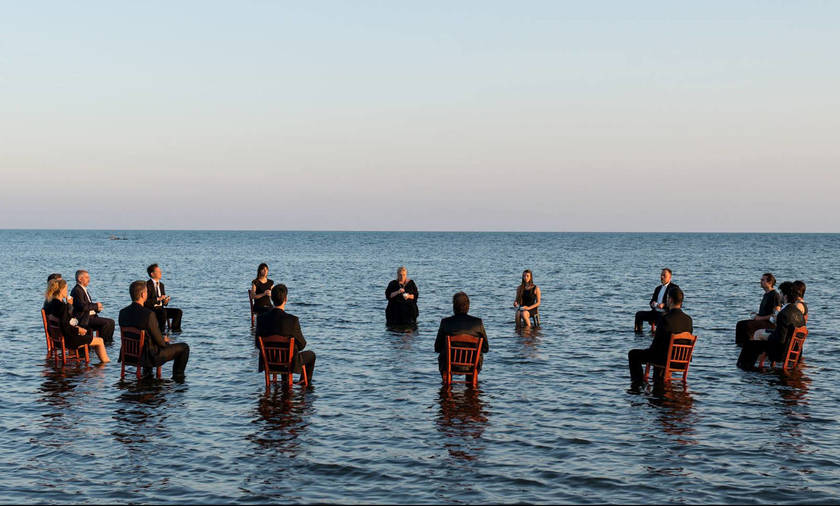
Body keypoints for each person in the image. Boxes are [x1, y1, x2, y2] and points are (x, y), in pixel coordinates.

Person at [118, 280, 190, 378]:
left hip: (127, 354)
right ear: (143, 294)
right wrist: (164, 340)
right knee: (184, 348)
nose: (147, 294)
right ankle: (178, 379)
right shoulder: (149, 314)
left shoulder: (122, 312)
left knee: (150, 342)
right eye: (147, 292)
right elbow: (160, 342)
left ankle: (148, 375)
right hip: (148, 356)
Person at [628, 287, 692, 385]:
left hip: (665, 360)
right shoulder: (688, 320)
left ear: (670, 300)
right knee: (661, 352)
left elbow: (656, 344)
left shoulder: (665, 319)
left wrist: (648, 350)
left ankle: (637, 386)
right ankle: (659, 384)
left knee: (633, 354)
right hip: (682, 362)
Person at [737, 282, 805, 370]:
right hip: (792, 350)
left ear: (785, 296)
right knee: (754, 342)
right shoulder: (798, 313)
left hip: (780, 351)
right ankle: (749, 367)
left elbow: (780, 338)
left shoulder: (784, 313)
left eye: (781, 293)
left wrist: (768, 337)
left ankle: (746, 370)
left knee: (750, 345)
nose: (779, 295)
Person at [255, 284, 316, 382]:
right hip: (289, 363)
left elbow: (258, 344)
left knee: (288, 354)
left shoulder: (261, 319)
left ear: (272, 300)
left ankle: (284, 384)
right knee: (311, 355)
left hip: (269, 362)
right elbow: (302, 344)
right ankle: (306, 389)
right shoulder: (292, 320)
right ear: (285, 299)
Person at [44, 278, 110, 363]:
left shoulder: (51, 304)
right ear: (61, 290)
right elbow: (66, 327)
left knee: (89, 333)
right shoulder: (62, 306)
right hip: (69, 339)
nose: (67, 291)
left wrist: (69, 306)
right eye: (66, 289)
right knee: (100, 341)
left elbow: (65, 322)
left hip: (57, 340)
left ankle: (100, 365)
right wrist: (78, 330)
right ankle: (105, 366)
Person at [435, 292, 490, 382]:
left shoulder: (445, 322)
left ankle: (446, 390)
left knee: (443, 356)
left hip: (450, 364)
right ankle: (471, 390)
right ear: (468, 306)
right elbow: (485, 348)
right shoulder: (477, 323)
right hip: (472, 365)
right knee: (478, 355)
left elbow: (437, 348)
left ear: (454, 307)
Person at [735, 273, 781, 345]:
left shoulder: (774, 295)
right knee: (740, 324)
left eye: (763, 280)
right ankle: (741, 345)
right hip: (762, 320)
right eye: (761, 280)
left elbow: (776, 314)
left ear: (769, 282)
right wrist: (756, 315)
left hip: (769, 323)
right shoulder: (766, 294)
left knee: (746, 325)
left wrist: (759, 318)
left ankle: (749, 345)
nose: (760, 281)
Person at [71, 270, 115, 341]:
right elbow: (83, 307)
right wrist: (96, 305)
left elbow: (87, 305)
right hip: (84, 319)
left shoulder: (82, 289)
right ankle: (104, 344)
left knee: (110, 322)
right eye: (86, 277)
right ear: (80, 279)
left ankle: (105, 342)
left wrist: (97, 309)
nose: (89, 279)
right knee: (108, 323)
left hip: (90, 317)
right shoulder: (77, 290)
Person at [634, 268, 680, 332]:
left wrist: (664, 305)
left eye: (664, 275)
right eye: (661, 275)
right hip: (655, 312)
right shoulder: (658, 288)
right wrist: (652, 304)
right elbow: (651, 302)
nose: (662, 277)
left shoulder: (674, 288)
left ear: (670, 277)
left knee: (661, 315)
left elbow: (676, 303)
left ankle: (658, 335)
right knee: (638, 314)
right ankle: (638, 336)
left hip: (666, 313)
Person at [144, 263, 183, 333]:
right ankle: (161, 333)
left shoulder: (161, 285)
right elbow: (146, 302)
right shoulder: (147, 284)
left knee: (178, 312)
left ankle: (175, 331)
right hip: (151, 309)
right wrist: (158, 299)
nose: (161, 273)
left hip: (161, 309)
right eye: (158, 272)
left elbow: (164, 304)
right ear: (152, 274)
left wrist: (165, 301)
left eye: (160, 271)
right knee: (163, 312)